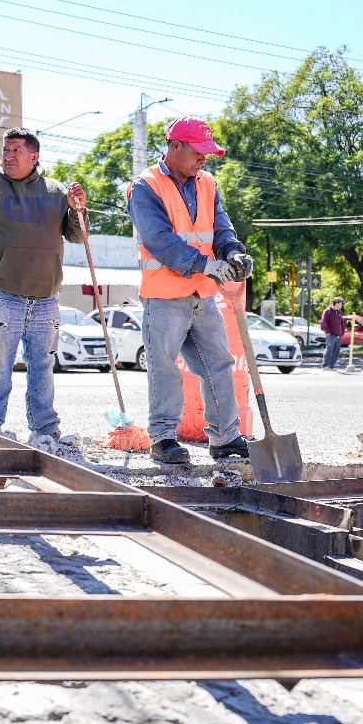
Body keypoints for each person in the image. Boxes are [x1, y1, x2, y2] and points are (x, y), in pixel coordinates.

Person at [127, 116, 253, 464]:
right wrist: (204, 264)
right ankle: (164, 439)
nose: (204, 158)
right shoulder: (146, 186)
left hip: (202, 293)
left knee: (218, 364)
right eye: (198, 151)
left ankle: (226, 438)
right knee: (164, 366)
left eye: (207, 152)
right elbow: (158, 239)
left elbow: (221, 228)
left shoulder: (207, 183)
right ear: (175, 146)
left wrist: (232, 252)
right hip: (164, 295)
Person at [0, 127, 87, 438]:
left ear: (34, 155)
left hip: (46, 299)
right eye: (6, 149)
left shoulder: (57, 192)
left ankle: (45, 431)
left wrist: (77, 209)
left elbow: (77, 236)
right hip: (0, 295)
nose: (8, 155)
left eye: (16, 150)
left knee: (43, 370)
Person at [319, 297, 346, 370]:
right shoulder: (327, 311)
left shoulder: (339, 312)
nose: (341, 305)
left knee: (336, 352)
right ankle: (325, 365)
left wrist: (342, 332)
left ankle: (331, 366)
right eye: (341, 304)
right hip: (330, 335)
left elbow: (342, 323)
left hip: (338, 335)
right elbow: (324, 321)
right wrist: (327, 331)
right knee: (329, 350)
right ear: (336, 303)